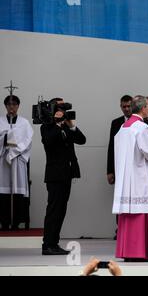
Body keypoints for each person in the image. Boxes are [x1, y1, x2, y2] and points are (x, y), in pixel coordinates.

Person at [112, 95, 148, 262]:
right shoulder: (141, 127)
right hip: (140, 177)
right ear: (142, 109)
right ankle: (141, 251)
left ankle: (129, 251)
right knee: (142, 211)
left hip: (126, 178)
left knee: (129, 214)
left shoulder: (123, 127)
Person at [41, 97, 86, 255]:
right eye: (59, 108)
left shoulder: (67, 126)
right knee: (53, 209)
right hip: (54, 175)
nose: (63, 110)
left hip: (67, 174)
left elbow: (82, 140)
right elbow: (48, 140)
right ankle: (47, 244)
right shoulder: (46, 127)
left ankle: (54, 243)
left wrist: (71, 126)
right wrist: (57, 123)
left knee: (61, 210)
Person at [0, 95, 33, 230]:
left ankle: (16, 221)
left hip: (18, 160)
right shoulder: (0, 121)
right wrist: (5, 136)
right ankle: (4, 221)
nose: (11, 107)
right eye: (9, 104)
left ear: (18, 106)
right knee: (3, 192)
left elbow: (28, 141)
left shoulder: (24, 123)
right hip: (3, 161)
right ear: (5, 106)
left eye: (14, 104)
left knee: (17, 191)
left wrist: (16, 151)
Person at [107, 95, 132, 186]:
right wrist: (110, 170)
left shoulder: (141, 122)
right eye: (124, 106)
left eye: (129, 106)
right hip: (120, 165)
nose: (126, 109)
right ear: (120, 107)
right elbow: (111, 147)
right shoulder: (116, 123)